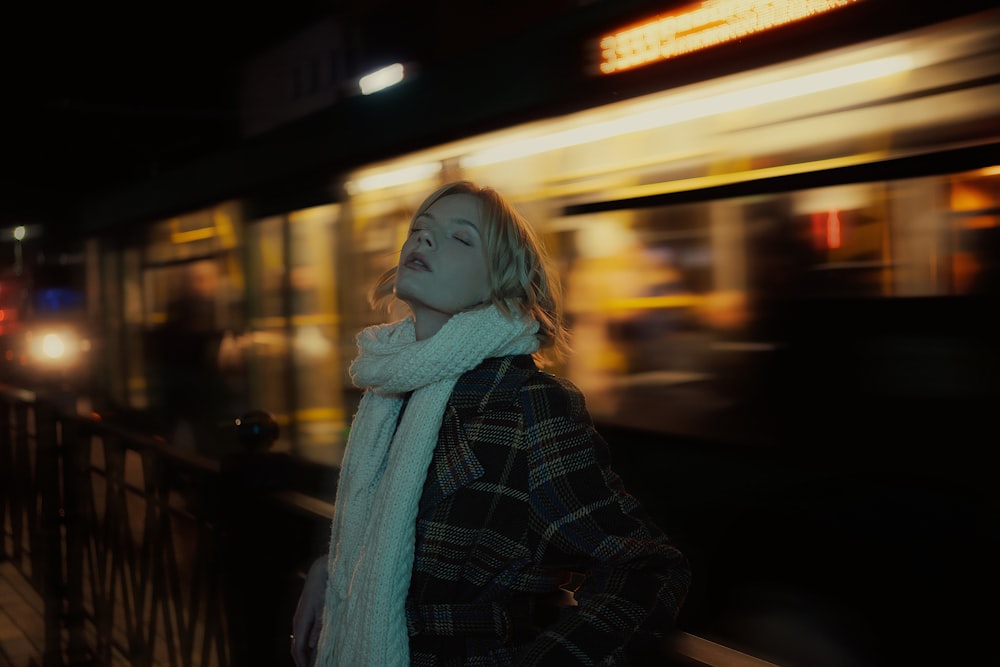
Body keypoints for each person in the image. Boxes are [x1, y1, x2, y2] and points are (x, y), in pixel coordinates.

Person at [291, 181, 691, 666]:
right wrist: (333, 568)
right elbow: (384, 541)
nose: (423, 240)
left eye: (461, 238)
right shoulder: (391, 389)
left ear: (499, 283)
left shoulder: (528, 403)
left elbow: (645, 569)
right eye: (419, 229)